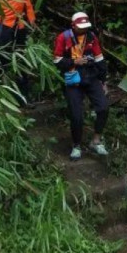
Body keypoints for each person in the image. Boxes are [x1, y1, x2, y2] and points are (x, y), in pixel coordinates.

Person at [53, 12, 108, 160]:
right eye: (80, 27)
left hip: (91, 77)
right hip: (73, 79)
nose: (83, 30)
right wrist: (73, 62)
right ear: (73, 26)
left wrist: (103, 81)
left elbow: (99, 59)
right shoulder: (63, 38)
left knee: (103, 107)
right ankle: (76, 145)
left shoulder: (92, 37)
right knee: (76, 115)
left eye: (85, 27)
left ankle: (96, 140)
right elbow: (57, 61)